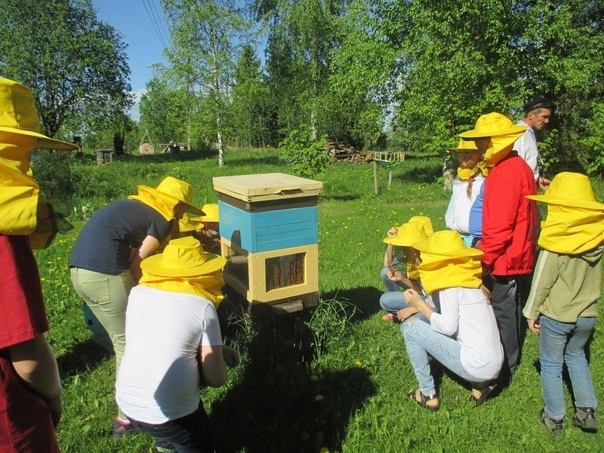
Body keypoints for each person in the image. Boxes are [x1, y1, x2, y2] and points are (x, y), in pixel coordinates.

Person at [69, 176, 203, 437]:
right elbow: (137, 264)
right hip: (105, 275)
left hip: (78, 274)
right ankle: (127, 419)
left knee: (118, 336)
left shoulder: (135, 207)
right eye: (184, 209)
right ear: (178, 206)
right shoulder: (164, 219)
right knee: (128, 344)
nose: (183, 214)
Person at [0, 77, 79, 452]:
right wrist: (55, 399)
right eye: (25, 150)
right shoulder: (3, 239)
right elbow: (27, 354)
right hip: (10, 423)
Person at [116, 236, 240, 452]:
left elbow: (160, 337)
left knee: (165, 439)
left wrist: (220, 349)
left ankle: (164, 445)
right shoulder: (201, 306)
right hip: (173, 413)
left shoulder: (137, 294)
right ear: (203, 273)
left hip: (128, 403)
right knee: (194, 444)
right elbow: (216, 379)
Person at [522, 172, 603, 435]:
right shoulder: (597, 239)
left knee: (551, 363)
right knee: (577, 355)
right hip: (587, 314)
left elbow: (542, 282)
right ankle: (587, 410)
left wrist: (531, 312)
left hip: (557, 314)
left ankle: (554, 417)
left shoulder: (555, 244)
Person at [459, 113, 537, 380]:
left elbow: (499, 228)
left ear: (497, 142)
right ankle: (510, 359)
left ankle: (504, 366)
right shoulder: (518, 166)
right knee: (510, 306)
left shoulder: (505, 173)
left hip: (504, 256)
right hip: (516, 252)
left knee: (501, 310)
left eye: (483, 143)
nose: (480, 149)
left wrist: (483, 261)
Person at [401, 230, 503, 411]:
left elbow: (447, 327)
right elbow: (435, 308)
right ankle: (480, 385)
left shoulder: (451, 286)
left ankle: (427, 394)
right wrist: (423, 306)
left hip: (478, 366)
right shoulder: (469, 280)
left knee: (410, 327)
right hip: (494, 363)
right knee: (420, 320)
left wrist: (418, 303)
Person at [379, 220, 431, 322]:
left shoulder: (428, 261)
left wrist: (412, 309)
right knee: (386, 272)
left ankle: (411, 312)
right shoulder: (408, 253)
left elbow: (429, 294)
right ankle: (401, 311)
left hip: (430, 300)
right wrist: (391, 241)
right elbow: (387, 265)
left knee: (386, 300)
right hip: (423, 292)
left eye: (406, 247)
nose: (404, 250)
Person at [445, 139, 487, 246]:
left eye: (467, 152)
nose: (463, 156)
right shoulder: (459, 176)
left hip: (475, 239)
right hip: (455, 237)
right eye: (460, 153)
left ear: (479, 154)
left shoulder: (484, 179)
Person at [513, 97, 554, 190]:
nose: (547, 121)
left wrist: (537, 179)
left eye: (548, 117)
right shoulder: (519, 133)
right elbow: (516, 167)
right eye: (544, 117)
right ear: (531, 116)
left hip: (528, 186)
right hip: (521, 189)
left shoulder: (528, 133)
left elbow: (528, 164)